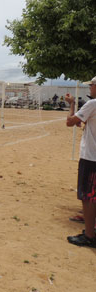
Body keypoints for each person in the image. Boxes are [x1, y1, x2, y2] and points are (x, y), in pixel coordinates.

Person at [65, 76, 96, 248]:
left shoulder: (92, 104)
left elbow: (70, 122)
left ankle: (89, 236)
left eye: (92, 85)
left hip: (91, 157)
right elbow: (81, 123)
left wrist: (71, 104)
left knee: (88, 196)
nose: (90, 88)